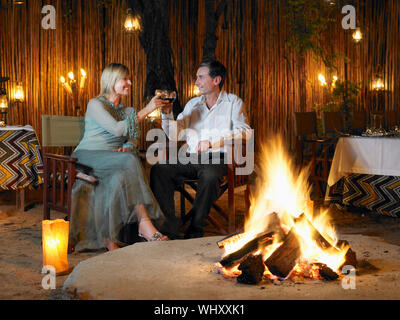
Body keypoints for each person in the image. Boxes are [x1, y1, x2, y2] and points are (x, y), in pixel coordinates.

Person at [69, 63, 171, 251]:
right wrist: (147, 109)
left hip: (115, 159)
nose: (130, 83)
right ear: (112, 80)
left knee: (120, 174)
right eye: (125, 79)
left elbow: (132, 139)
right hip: (87, 156)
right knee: (131, 161)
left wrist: (126, 147)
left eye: (129, 79)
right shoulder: (95, 104)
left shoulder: (129, 111)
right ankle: (144, 223)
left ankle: (110, 240)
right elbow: (117, 130)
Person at [150, 60, 251, 239]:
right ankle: (169, 225)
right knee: (159, 169)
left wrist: (213, 142)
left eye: (200, 77)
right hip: (190, 158)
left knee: (210, 175)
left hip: (219, 158)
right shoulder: (192, 104)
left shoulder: (233, 102)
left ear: (216, 80)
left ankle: (195, 228)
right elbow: (175, 134)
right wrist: (167, 114)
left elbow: (244, 132)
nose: (196, 81)